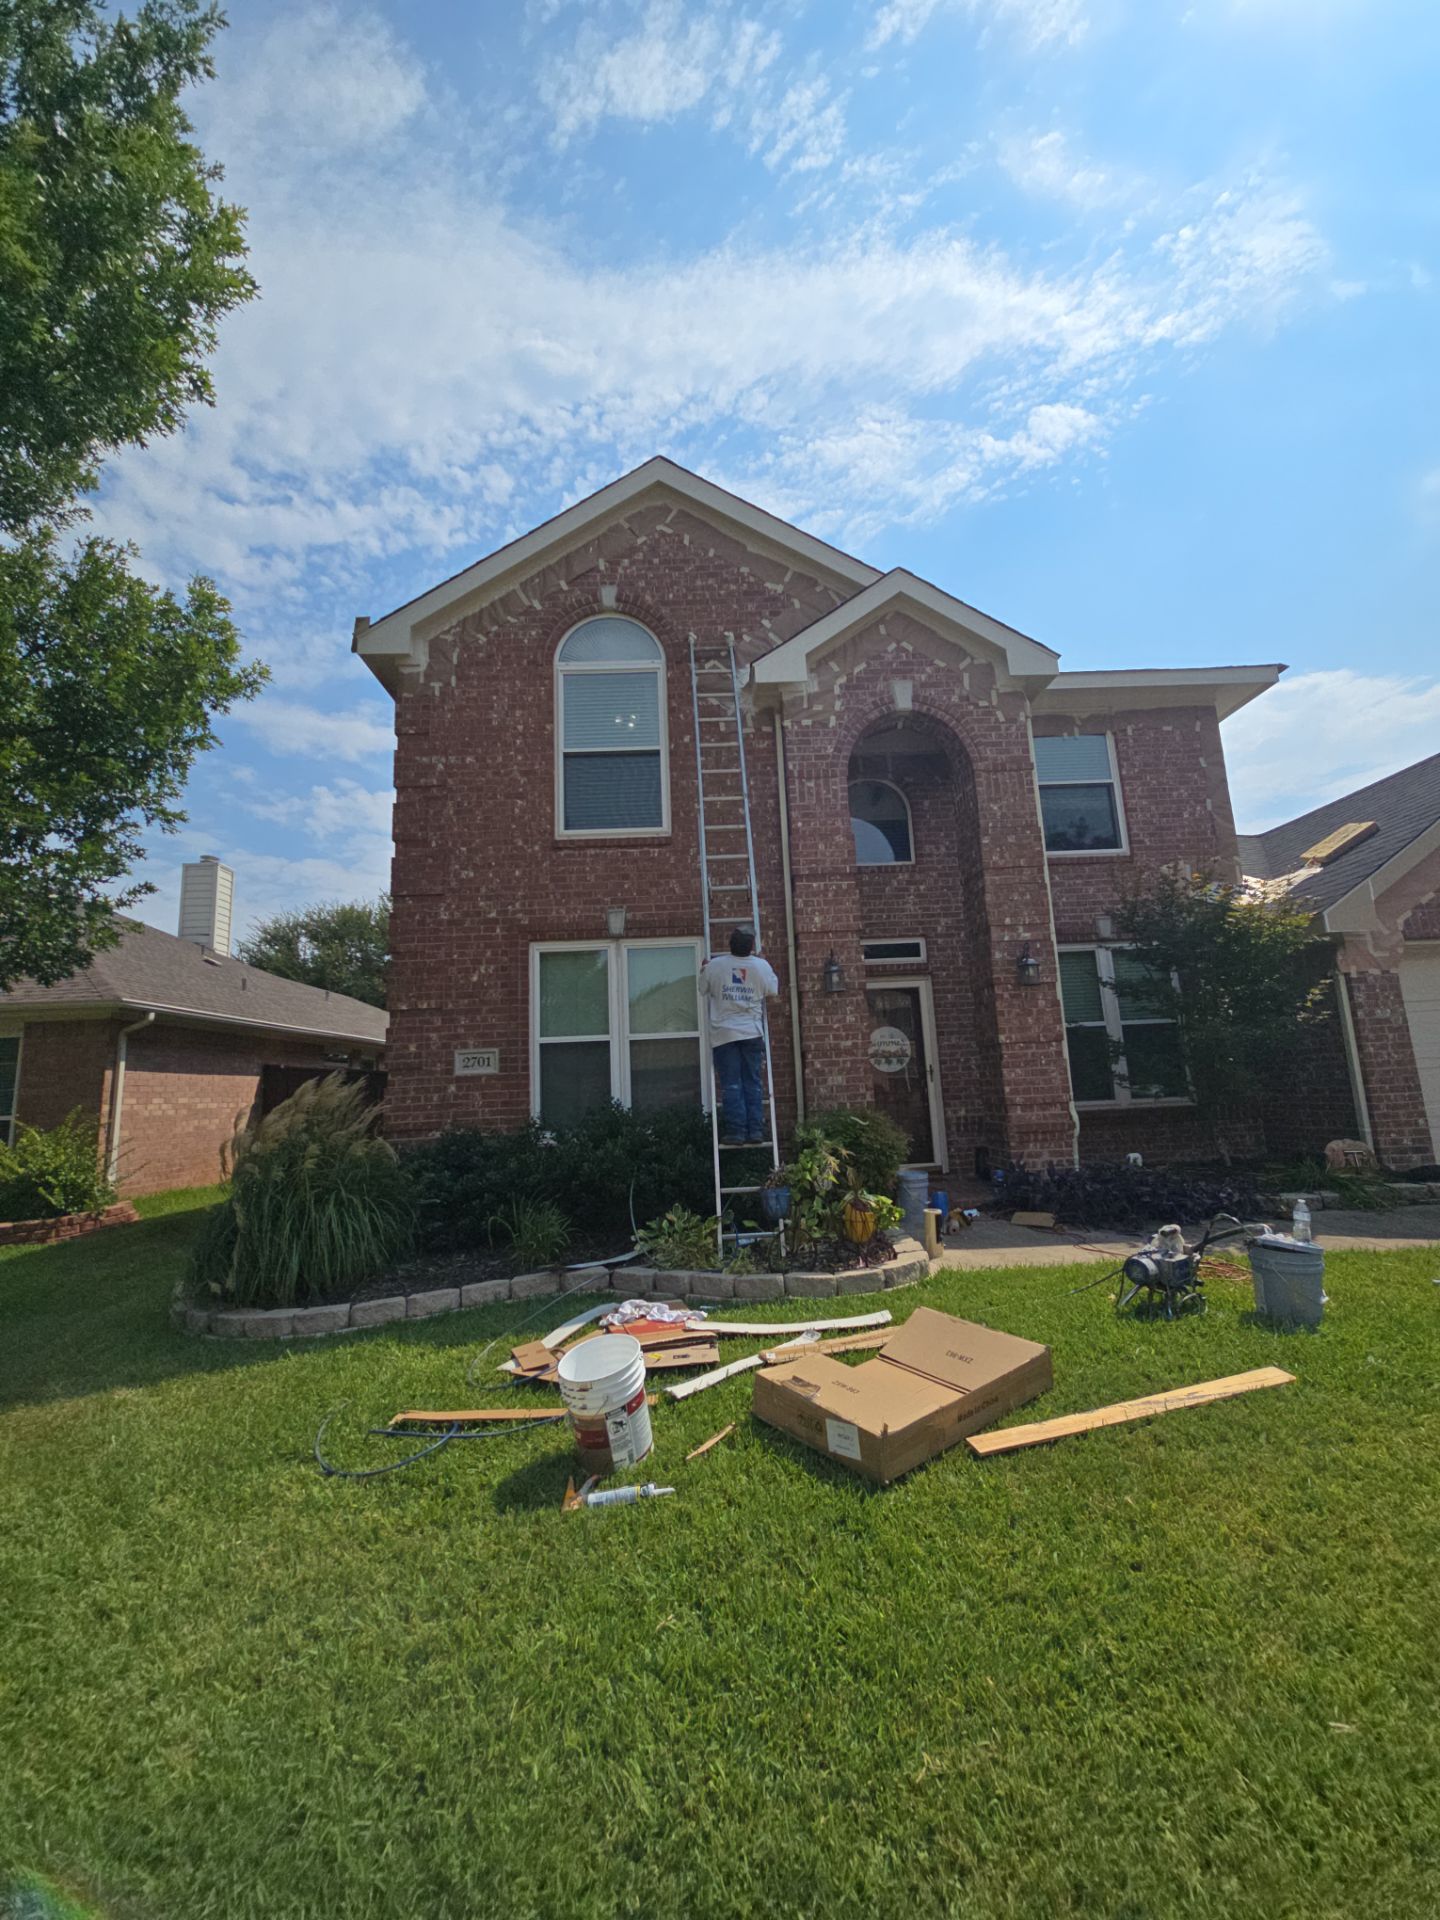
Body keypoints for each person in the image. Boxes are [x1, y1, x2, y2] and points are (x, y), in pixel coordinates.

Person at [699, 927, 779, 1145]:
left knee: (732, 1084)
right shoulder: (761, 966)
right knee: (753, 1082)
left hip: (724, 1034)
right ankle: (756, 1131)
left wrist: (704, 969)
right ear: (751, 946)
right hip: (751, 1032)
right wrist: (764, 966)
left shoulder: (716, 966)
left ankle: (736, 1132)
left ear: (730, 944)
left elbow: (702, 988)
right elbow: (773, 990)